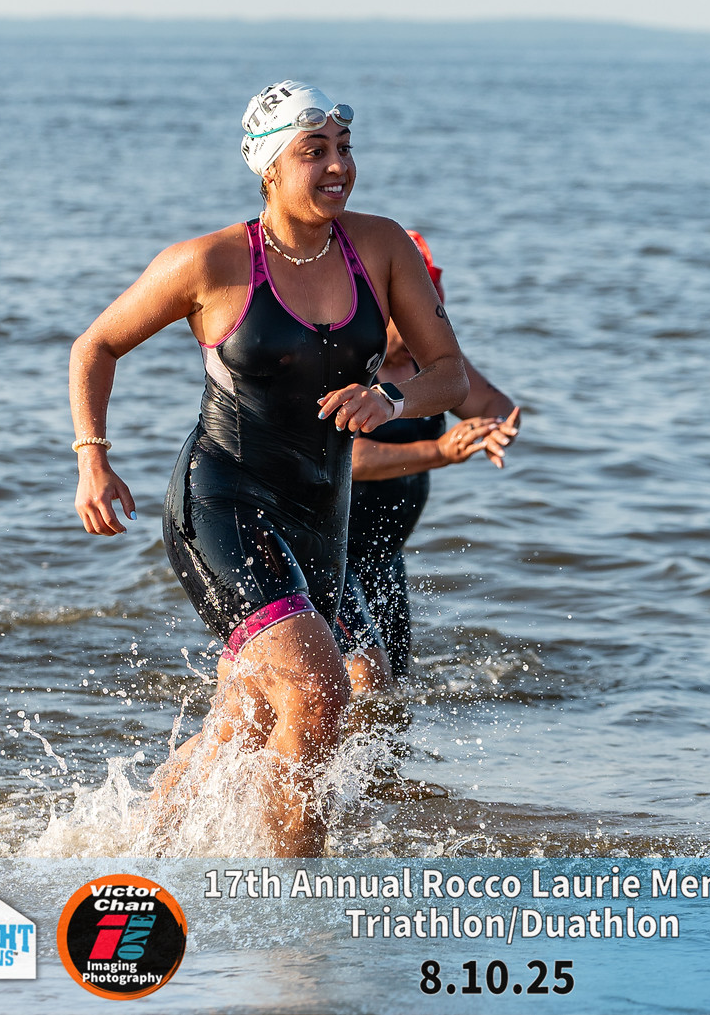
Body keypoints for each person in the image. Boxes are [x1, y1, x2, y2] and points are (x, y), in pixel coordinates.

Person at [69, 81, 467, 855]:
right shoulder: (211, 262)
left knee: (264, 709)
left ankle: (143, 845)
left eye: (344, 148)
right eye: (314, 151)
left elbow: (448, 371)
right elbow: (96, 346)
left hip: (322, 512)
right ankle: (295, 892)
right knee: (318, 687)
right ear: (269, 166)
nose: (337, 166)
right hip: (222, 500)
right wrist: (94, 458)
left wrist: (391, 396)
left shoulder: (380, 247)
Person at [339, 231, 521, 693]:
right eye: (411, 321)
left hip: (385, 558)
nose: (423, 335)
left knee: (394, 695)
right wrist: (440, 452)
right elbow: (350, 460)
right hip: (329, 552)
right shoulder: (349, 366)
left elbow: (492, 402)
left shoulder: (432, 363)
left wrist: (496, 428)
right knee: (366, 682)